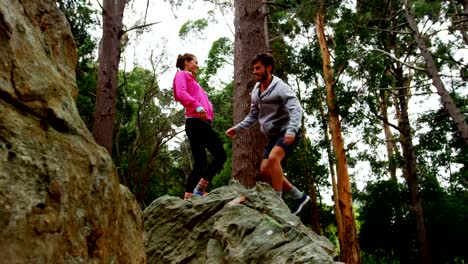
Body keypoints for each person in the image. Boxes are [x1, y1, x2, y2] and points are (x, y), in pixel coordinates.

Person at [226, 53, 310, 215]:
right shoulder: (256, 91)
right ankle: (299, 196)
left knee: (273, 159)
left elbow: (296, 108)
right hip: (272, 136)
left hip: (287, 131)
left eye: (258, 68)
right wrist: (237, 128)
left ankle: (278, 203)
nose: (255, 72)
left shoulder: (281, 87)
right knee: (265, 169)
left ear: (268, 68)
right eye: (253, 69)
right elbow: (253, 115)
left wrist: (292, 130)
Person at [173, 53, 227, 200]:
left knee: (201, 162)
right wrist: (197, 106)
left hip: (201, 123)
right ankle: (199, 189)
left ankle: (189, 194)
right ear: (186, 62)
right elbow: (180, 93)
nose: (197, 65)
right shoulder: (181, 75)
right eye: (195, 62)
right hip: (196, 123)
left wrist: (208, 110)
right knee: (220, 156)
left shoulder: (192, 80)